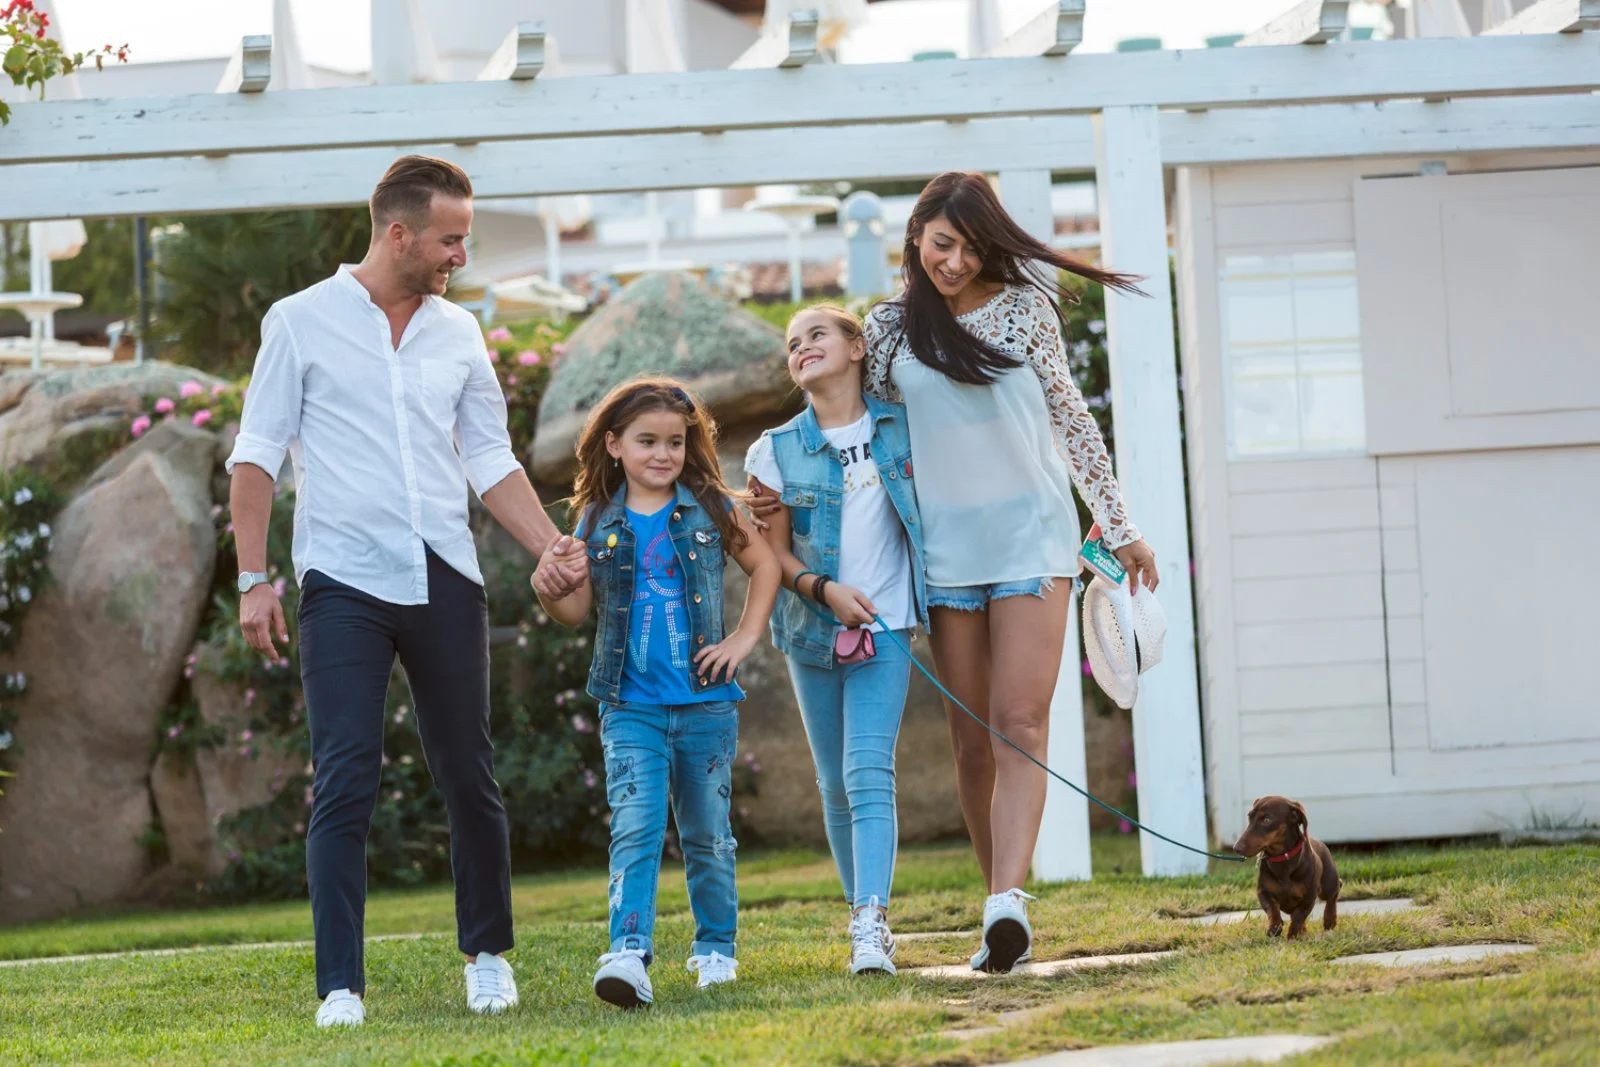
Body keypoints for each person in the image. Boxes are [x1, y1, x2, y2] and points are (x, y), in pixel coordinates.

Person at [752, 172, 1159, 974]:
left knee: (1021, 722)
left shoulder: (1025, 309)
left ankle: (1008, 901)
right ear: (915, 238)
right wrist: (772, 485)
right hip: (939, 555)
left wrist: (1120, 525)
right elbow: (851, 429)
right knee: (970, 739)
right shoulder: (888, 329)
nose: (955, 261)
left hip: (1032, 542)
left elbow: (1073, 421)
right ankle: (995, 908)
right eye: (942, 243)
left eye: (971, 247)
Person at [227, 154, 579, 1027]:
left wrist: (552, 546)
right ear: (399, 234)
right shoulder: (298, 321)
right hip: (343, 580)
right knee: (346, 774)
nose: (461, 253)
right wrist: (253, 579)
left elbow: (489, 457)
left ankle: (488, 958)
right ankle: (340, 987)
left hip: (445, 575)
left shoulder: (459, 333)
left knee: (468, 771)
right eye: (450, 239)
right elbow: (256, 456)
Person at [531, 378, 780, 1010]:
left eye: (675, 441)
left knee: (707, 835)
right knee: (635, 829)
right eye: (647, 441)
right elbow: (575, 611)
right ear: (614, 445)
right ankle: (628, 952)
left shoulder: (711, 508)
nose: (663, 454)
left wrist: (744, 638)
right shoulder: (595, 520)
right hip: (630, 707)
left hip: (706, 705)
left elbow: (766, 565)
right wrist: (549, 589)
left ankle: (716, 949)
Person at [743, 304, 928, 976]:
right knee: (833, 783)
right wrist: (825, 591)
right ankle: (860, 915)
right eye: (793, 343)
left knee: (866, 770)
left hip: (888, 627)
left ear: (856, 346)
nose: (802, 347)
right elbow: (772, 554)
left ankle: (871, 921)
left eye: (816, 334)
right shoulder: (773, 450)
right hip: (811, 632)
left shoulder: (904, 428)